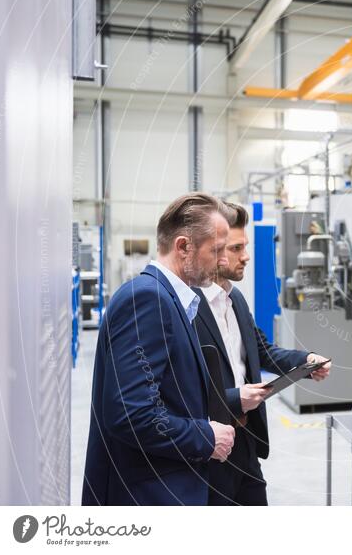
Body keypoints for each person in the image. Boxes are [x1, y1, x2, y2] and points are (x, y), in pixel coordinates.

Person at [82, 193, 237, 506]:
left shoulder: (172, 301)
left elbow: (170, 393)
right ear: (183, 247)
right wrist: (206, 437)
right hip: (148, 495)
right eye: (216, 250)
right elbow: (131, 413)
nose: (222, 261)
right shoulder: (147, 300)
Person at [193, 202, 331, 506]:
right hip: (210, 443)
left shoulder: (236, 299)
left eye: (246, 246)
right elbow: (183, 388)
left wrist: (305, 361)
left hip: (246, 440)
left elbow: (262, 352)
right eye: (236, 247)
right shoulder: (188, 308)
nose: (246, 256)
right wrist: (234, 397)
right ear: (213, 249)